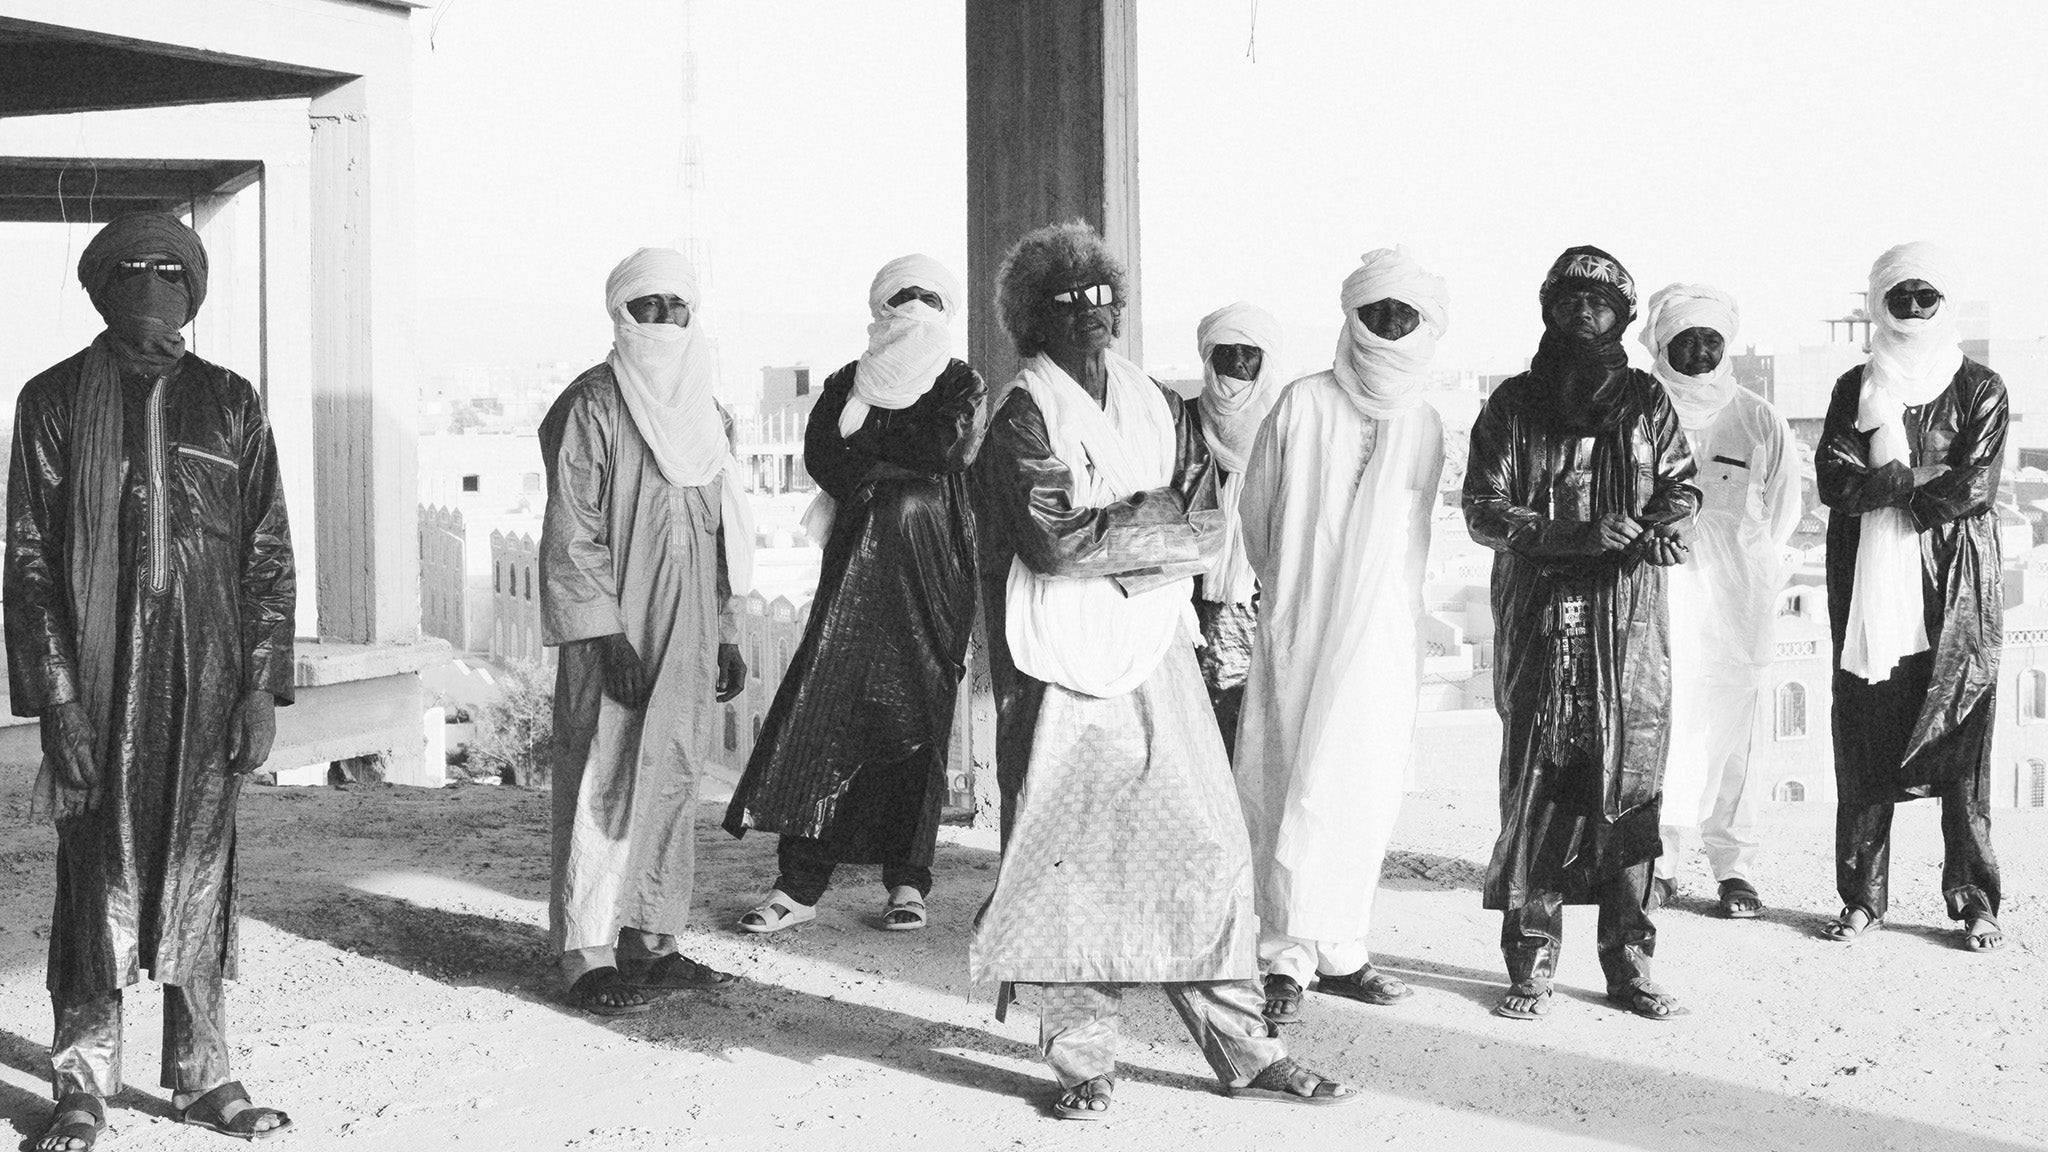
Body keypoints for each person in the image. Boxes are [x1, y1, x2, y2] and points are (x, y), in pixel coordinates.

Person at [969, 220, 1356, 1119]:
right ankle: (1082, 1063)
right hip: (1061, 665)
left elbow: (1207, 523)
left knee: (1207, 846)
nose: (1093, 311)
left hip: (1158, 653)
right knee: (1068, 867)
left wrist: (1128, 529)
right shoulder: (1021, 416)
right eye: (1071, 300)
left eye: (1105, 296)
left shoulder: (1159, 405)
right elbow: (1054, 542)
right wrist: (1157, 526)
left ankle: (1246, 1049)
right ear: (1033, 317)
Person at [8, 212, 296, 1149]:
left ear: (192, 289)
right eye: (132, 268)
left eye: (170, 271)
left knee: (200, 871)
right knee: (94, 880)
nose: (152, 285)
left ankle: (204, 1075)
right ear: (101, 285)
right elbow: (30, 561)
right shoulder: (52, 400)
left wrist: (259, 685)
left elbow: (265, 551)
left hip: (208, 676)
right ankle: (82, 1082)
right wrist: (57, 697)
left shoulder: (231, 401)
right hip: (98, 682)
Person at [1462, 245, 1700, 1023]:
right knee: (1539, 783)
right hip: (1540, 614)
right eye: (1571, 300)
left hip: (1627, 620)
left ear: (1623, 318)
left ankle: (1629, 963)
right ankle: (1530, 959)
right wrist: (1570, 535)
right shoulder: (1512, 404)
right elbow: (1483, 508)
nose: (1585, 314)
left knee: (1628, 784)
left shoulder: (1647, 401)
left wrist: (1661, 529)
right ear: (1549, 309)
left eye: (1600, 303)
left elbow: (1681, 487)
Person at [724, 255, 987, 933]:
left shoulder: (961, 382)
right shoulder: (847, 381)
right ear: (880, 308)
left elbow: (948, 451)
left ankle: (908, 883)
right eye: (904, 296)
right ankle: (798, 886)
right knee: (826, 712)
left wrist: (869, 448)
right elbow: (825, 459)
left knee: (919, 727)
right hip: (854, 579)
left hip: (935, 575)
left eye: (930, 297)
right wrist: (889, 458)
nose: (916, 308)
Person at [1236, 248, 1447, 1026]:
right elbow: (1258, 517)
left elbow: (1414, 541)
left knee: (1360, 786)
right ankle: (1283, 956)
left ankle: (1343, 951)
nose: (1387, 327)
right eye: (1376, 312)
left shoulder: (1424, 423)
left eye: (1403, 315)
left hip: (1381, 640)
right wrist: (1295, 594)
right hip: (1301, 621)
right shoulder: (1302, 402)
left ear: (1425, 327)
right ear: (1353, 316)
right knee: (1289, 777)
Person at [538, 247, 750, 1017]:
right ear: (620, 313)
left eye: (674, 306)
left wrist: (726, 632)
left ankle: (653, 943)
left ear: (693, 315)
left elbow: (720, 537)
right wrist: (604, 636)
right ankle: (587, 954)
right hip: (617, 635)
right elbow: (573, 534)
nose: (661, 320)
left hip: (690, 632)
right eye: (646, 305)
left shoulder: (708, 416)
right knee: (606, 778)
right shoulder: (591, 406)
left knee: (674, 778)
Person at [1817, 242, 2006, 953]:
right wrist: (1911, 480)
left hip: (1957, 582)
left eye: (1928, 296)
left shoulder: (1979, 386)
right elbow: (1834, 482)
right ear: (1880, 302)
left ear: (1946, 303)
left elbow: (1975, 485)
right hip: (1870, 583)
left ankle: (1974, 900)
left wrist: (1889, 486)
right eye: (1902, 295)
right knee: (1866, 729)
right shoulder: (1853, 387)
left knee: (1963, 736)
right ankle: (1862, 899)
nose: (1915, 307)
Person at [1639, 284, 1801, 919]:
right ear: (1662, 345)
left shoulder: (1759, 418)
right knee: (1664, 731)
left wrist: (1748, 572)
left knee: (1735, 738)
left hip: (1737, 604)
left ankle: (1734, 869)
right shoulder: (1638, 412)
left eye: (1712, 339)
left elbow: (1783, 512)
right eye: (1687, 339)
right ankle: (1660, 865)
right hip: (1660, 596)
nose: (1701, 351)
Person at [1190, 302, 1286, 755]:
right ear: (1210, 356)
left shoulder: (1281, 423)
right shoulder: (1184, 419)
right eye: (1227, 351)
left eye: (1249, 352)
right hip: (1191, 592)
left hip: (1259, 592)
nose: (1238, 362)